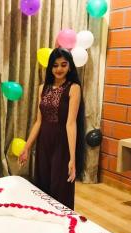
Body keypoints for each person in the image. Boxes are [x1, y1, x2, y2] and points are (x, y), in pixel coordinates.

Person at [18, 47, 85, 210]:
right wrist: (27, 147)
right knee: (43, 183)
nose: (59, 69)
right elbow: (38, 121)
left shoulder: (74, 88)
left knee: (59, 186)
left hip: (62, 144)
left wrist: (73, 158)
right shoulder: (43, 88)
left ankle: (62, 221)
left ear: (69, 67)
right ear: (50, 67)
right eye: (55, 65)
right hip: (44, 142)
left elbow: (71, 123)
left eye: (63, 64)